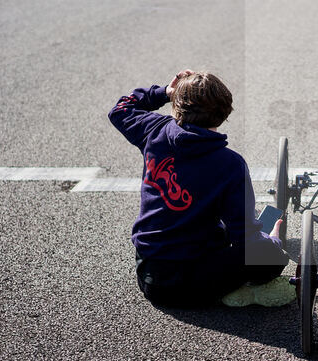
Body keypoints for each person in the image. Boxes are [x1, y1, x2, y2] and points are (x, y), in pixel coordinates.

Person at [109, 70, 288, 307]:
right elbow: (246, 241)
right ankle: (238, 289)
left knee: (214, 226)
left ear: (177, 106)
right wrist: (274, 242)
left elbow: (120, 110)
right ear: (225, 112)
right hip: (194, 282)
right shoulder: (230, 163)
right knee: (270, 254)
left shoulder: (154, 130)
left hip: (150, 276)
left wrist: (164, 92)